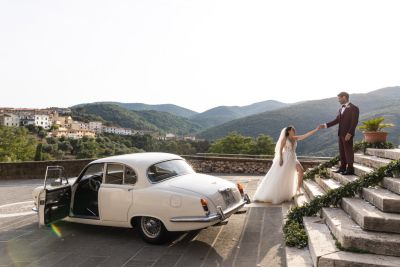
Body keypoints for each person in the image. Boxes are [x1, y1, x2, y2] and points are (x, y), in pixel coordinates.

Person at [253, 125, 321, 204]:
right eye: (292, 130)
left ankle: (298, 189)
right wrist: (281, 159)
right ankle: (276, 193)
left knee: (301, 171)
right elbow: (280, 149)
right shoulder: (285, 138)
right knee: (283, 176)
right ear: (288, 131)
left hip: (293, 157)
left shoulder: (295, 138)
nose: (294, 131)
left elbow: (306, 135)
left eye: (294, 130)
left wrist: (316, 129)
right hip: (286, 158)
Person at [319, 92, 359, 175]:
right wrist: (325, 125)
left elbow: (354, 122)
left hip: (347, 134)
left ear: (344, 97)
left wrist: (350, 133)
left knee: (348, 151)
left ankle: (350, 168)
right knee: (342, 151)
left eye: (339, 98)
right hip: (340, 133)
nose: (338, 100)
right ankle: (343, 167)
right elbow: (337, 120)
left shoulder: (354, 108)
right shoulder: (341, 109)